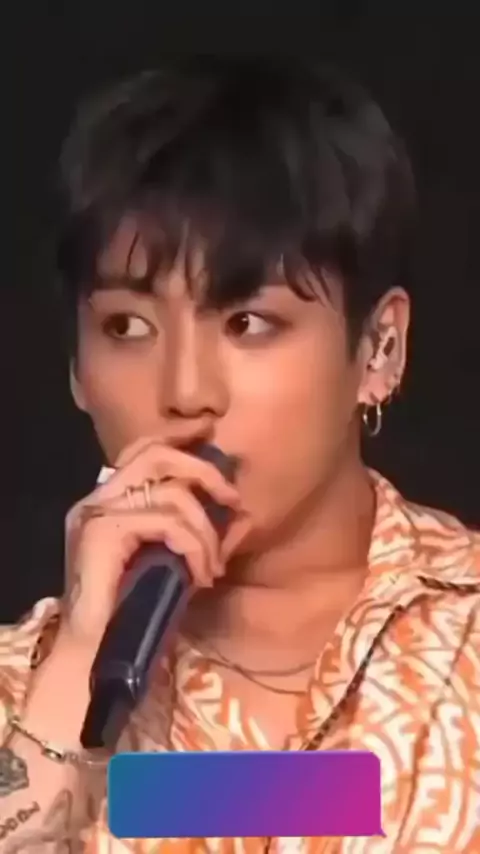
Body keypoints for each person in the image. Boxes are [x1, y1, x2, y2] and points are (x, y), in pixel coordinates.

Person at [0, 57, 479, 854]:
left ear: (379, 349)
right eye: (127, 328)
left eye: (248, 323)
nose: (186, 393)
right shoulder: (23, 685)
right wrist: (78, 663)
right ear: (77, 369)